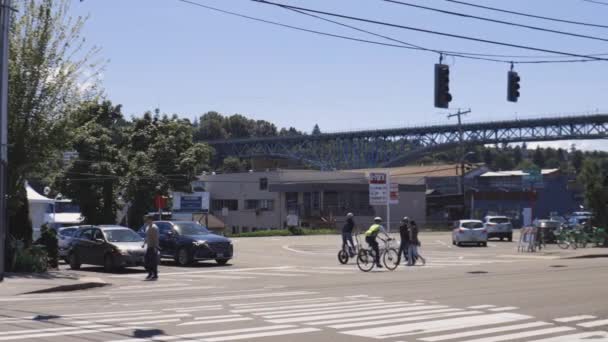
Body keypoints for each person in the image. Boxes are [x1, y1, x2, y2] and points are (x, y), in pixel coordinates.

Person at [142, 215, 160, 280]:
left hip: (153, 247)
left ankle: (154, 275)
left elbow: (156, 238)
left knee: (152, 262)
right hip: (149, 246)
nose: (145, 221)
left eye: (146, 219)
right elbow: (147, 237)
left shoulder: (154, 228)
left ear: (150, 220)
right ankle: (150, 273)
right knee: (147, 261)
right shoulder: (147, 227)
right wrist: (144, 243)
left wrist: (156, 247)